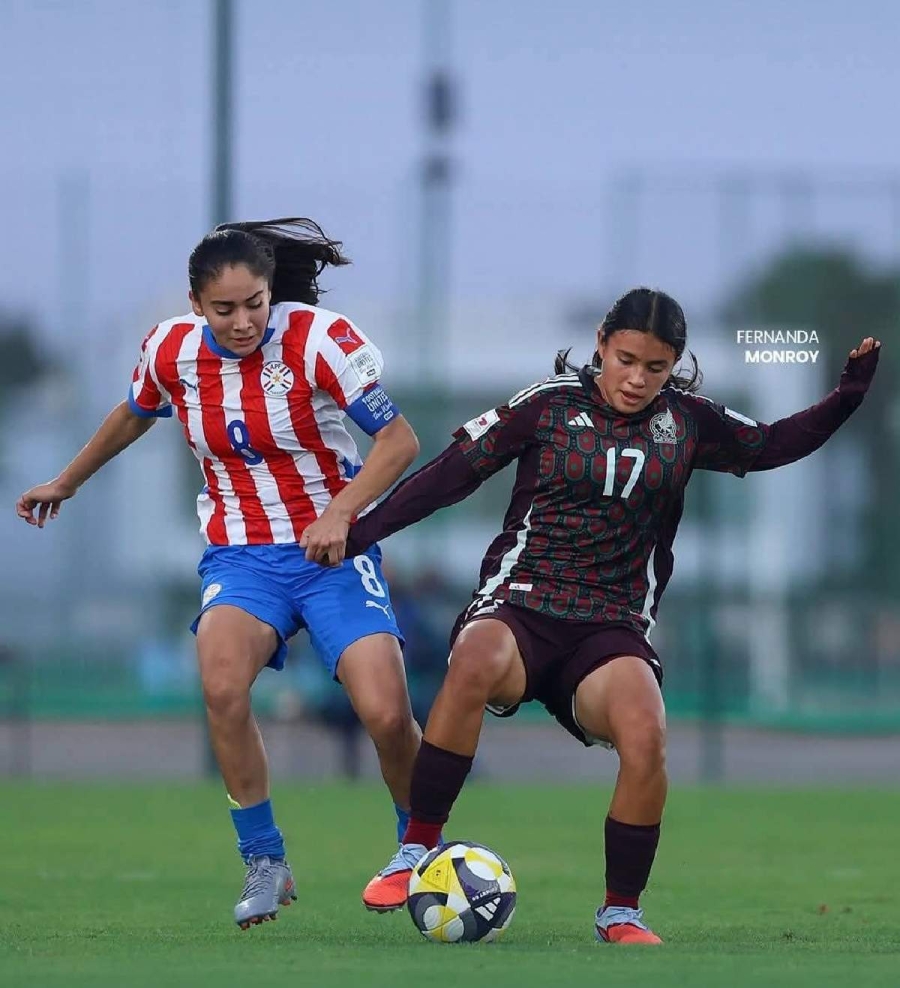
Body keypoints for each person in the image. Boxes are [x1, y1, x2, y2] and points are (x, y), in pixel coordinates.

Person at [333, 287, 882, 941]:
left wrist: (846, 398)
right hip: (521, 604)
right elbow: (450, 474)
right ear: (601, 343)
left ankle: (621, 908)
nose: (636, 378)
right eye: (626, 359)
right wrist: (358, 532)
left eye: (655, 367)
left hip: (610, 627)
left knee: (647, 735)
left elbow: (770, 444)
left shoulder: (687, 424)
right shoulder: (546, 406)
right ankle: (416, 848)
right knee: (475, 658)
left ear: (674, 363)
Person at [15, 217, 428, 926]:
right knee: (221, 685)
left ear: (272, 292)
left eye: (256, 303)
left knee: (388, 714)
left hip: (333, 556)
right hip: (241, 557)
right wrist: (67, 480)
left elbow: (399, 440)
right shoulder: (170, 348)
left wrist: (341, 514)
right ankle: (265, 861)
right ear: (195, 303)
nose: (244, 322)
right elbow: (134, 413)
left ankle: (419, 848)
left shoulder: (321, 339)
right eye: (225, 309)